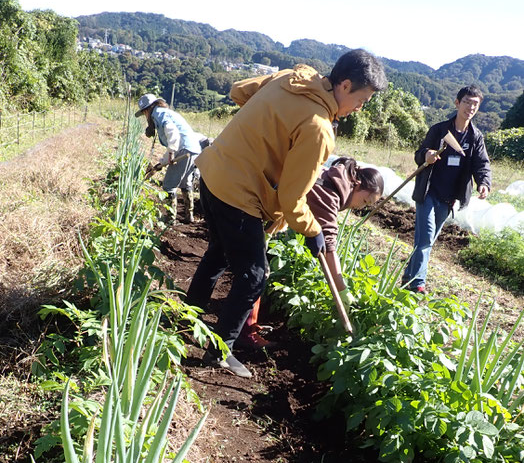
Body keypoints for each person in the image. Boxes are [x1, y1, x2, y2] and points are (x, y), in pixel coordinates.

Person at [185, 49, 388, 378]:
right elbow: (293, 198)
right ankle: (220, 351)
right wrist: (313, 231)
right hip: (238, 193)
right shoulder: (319, 128)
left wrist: (263, 130)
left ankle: (187, 316)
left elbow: (239, 91)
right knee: (254, 275)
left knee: (220, 253)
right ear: (345, 85)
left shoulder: (291, 77)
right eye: (362, 99)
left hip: (211, 171)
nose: (359, 108)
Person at [237, 158, 385, 351]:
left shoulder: (334, 178)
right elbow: (329, 245)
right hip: (252, 203)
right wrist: (341, 289)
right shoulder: (331, 193)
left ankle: (194, 307)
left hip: (252, 197)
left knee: (228, 259)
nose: (360, 207)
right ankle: (245, 333)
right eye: (365, 200)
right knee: (258, 272)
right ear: (357, 184)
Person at [402, 86, 491, 294]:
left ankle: (408, 277)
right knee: (425, 239)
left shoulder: (475, 137)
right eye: (467, 102)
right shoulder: (439, 130)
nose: (471, 107)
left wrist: (483, 182)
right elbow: (419, 154)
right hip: (429, 192)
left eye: (475, 104)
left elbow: (481, 164)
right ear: (457, 103)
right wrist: (427, 155)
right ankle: (417, 285)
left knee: (428, 240)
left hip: (449, 197)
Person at [135, 94, 202, 222]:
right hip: (193, 149)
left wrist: (171, 153)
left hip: (184, 149)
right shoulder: (164, 112)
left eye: (144, 114)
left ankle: (170, 219)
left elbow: (173, 134)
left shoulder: (158, 114)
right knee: (185, 184)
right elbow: (173, 142)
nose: (145, 117)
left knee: (168, 186)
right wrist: (161, 163)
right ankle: (189, 216)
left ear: (147, 110)